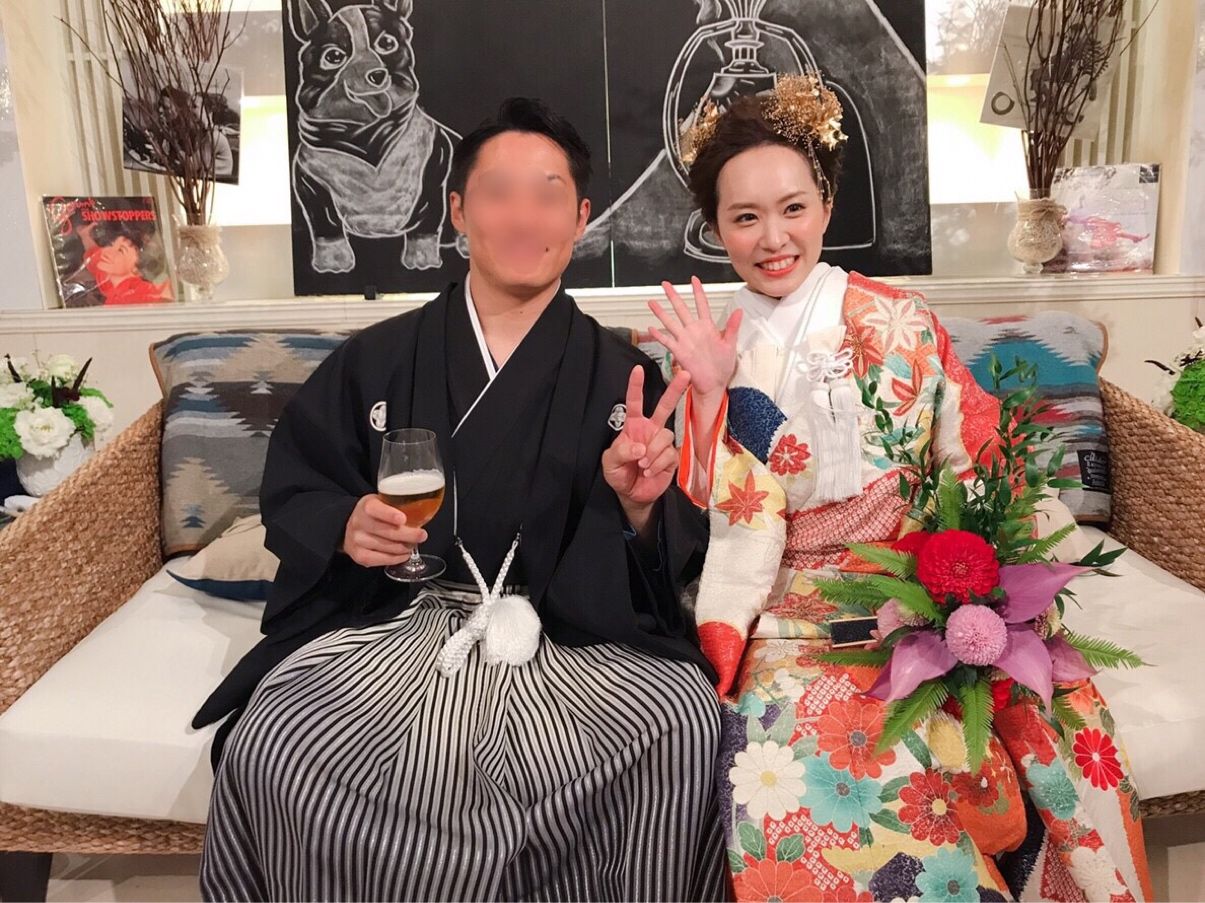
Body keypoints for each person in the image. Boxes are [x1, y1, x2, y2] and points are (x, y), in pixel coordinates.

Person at [192, 97, 726, 901]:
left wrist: (641, 503)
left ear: (580, 218)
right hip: (400, 617)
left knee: (682, 720)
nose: (523, 217)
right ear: (456, 211)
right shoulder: (378, 357)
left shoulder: (622, 376)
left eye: (548, 194)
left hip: (563, 631)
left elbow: (670, 551)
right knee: (273, 736)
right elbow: (298, 482)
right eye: (497, 192)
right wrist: (345, 523)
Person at [649, 74, 1151, 901]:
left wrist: (981, 576)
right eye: (744, 218)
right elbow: (708, 508)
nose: (772, 237)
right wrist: (707, 395)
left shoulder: (900, 318)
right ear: (715, 229)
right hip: (789, 611)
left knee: (1049, 720)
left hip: (922, 588)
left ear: (825, 203)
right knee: (796, 765)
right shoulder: (714, 340)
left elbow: (973, 456)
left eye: (792, 207)